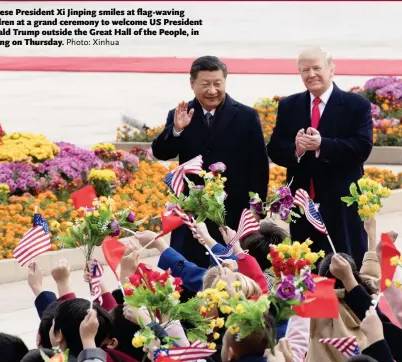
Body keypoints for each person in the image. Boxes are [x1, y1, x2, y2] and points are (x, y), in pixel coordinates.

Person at [152, 55, 269, 269]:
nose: (212, 90)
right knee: (187, 272)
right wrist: (176, 130)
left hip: (233, 213)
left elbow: (259, 166)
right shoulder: (180, 113)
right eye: (205, 84)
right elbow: (161, 152)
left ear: (225, 81)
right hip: (192, 212)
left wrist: (256, 209)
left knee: (232, 275)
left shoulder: (246, 116)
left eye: (218, 83)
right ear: (192, 83)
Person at [266, 47, 373, 268]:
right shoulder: (289, 105)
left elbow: (362, 148)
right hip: (303, 205)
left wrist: (323, 145)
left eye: (317, 68)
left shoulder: (355, 105)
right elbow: (275, 149)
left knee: (346, 266)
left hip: (341, 205)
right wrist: (296, 149)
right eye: (305, 70)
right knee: (307, 269)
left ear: (331, 69)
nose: (311, 74)